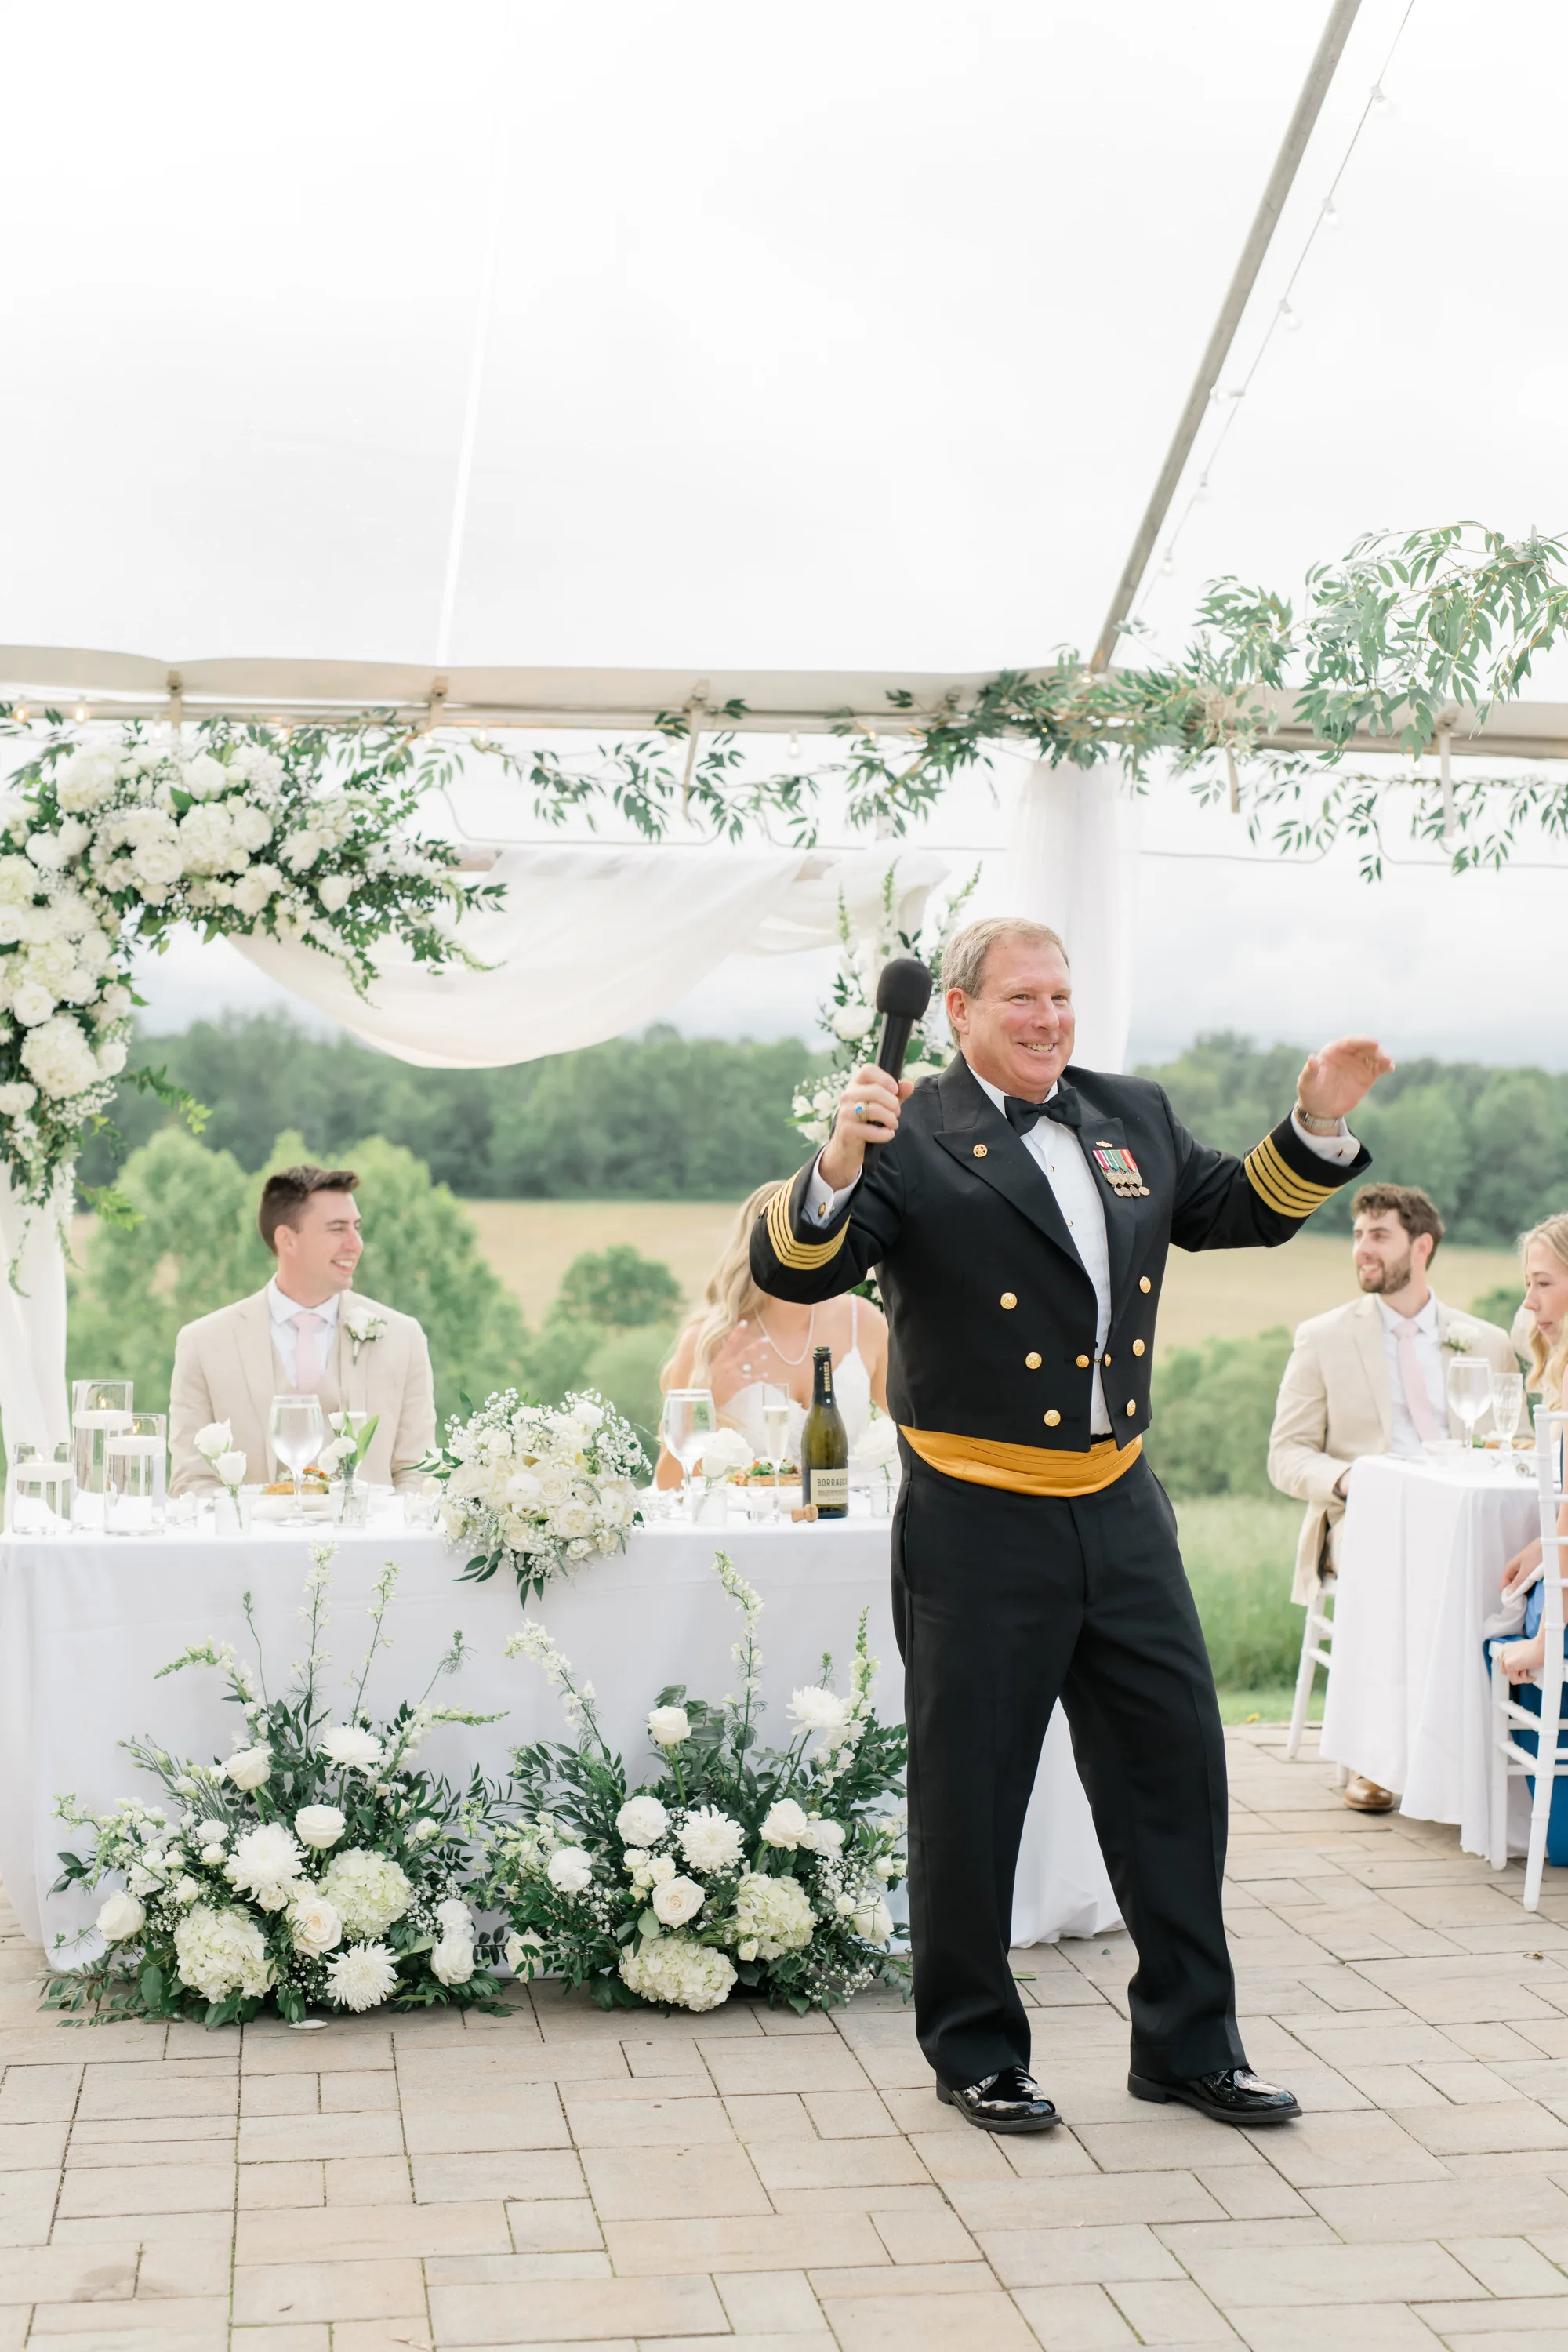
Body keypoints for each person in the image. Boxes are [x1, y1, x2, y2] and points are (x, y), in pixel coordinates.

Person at [750, 914, 1388, 2136]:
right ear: (958, 1011)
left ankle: (1191, 2048)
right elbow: (798, 1272)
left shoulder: (1128, 1112)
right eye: (1022, 1001)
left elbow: (1236, 1209)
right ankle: (976, 2048)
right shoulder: (904, 1130)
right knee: (971, 1794)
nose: (1049, 1019)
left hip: (1122, 1502)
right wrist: (835, 1164)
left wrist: (1313, 1124)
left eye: (1061, 996)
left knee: (1178, 1779)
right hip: (979, 1516)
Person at [1267, 1185, 1519, 1813]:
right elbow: (1287, 1455)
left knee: (1519, 1569)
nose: (1362, 1250)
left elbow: (1515, 1442)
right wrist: (1355, 1482)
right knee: (1391, 1564)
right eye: (1357, 1236)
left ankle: (1486, 1754)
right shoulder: (1322, 1338)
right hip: (1367, 1518)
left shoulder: (1485, 1342)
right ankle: (1371, 1760)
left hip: (1464, 1513)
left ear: (1422, 1245)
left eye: (1378, 1235)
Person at [169, 1162, 435, 1496]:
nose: (356, 1243)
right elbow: (190, 1482)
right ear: (287, 1240)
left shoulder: (403, 1337)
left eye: (357, 1227)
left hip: (370, 1546)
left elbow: (418, 1474)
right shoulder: (202, 1343)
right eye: (338, 1229)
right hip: (252, 1546)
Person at [655, 1181, 889, 1486]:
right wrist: (710, 1401)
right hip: (748, 1529)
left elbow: (919, 1433)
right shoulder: (708, 1342)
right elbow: (668, 1482)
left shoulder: (864, 1322)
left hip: (844, 1521)